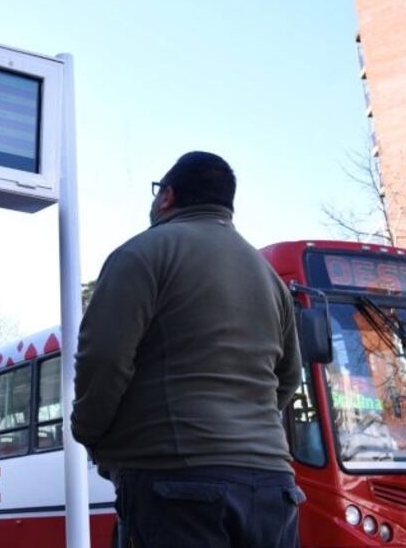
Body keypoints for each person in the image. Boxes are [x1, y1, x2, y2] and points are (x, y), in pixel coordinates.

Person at [71, 151, 304, 548]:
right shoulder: (269, 278)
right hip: (273, 487)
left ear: (167, 197)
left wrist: (89, 433)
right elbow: (288, 379)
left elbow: (104, 360)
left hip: (177, 485)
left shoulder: (142, 253)